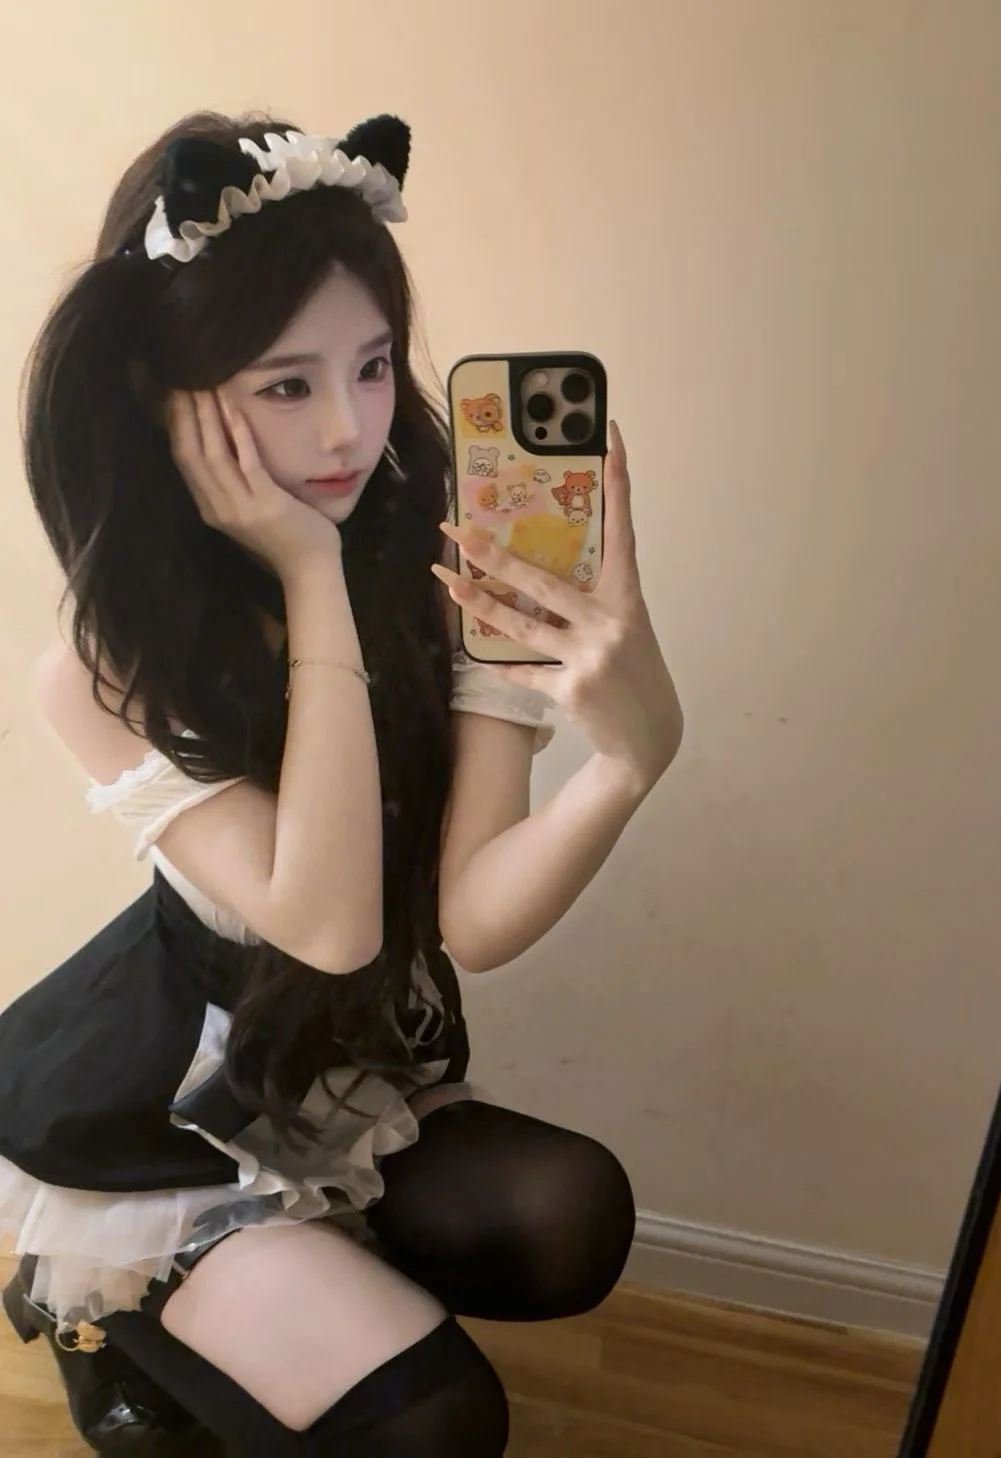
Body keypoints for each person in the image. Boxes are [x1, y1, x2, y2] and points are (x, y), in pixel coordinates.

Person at [0, 109, 684, 1455]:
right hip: (163, 1105)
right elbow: (326, 923)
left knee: (570, 1216)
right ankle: (111, 1327)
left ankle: (298, 1288)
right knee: (437, 1422)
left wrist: (633, 755)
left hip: (342, 1068)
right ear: (165, 396)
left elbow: (473, 917)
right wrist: (309, 573)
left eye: (371, 367)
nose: (347, 429)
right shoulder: (104, 662)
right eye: (284, 384)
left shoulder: (443, 566)